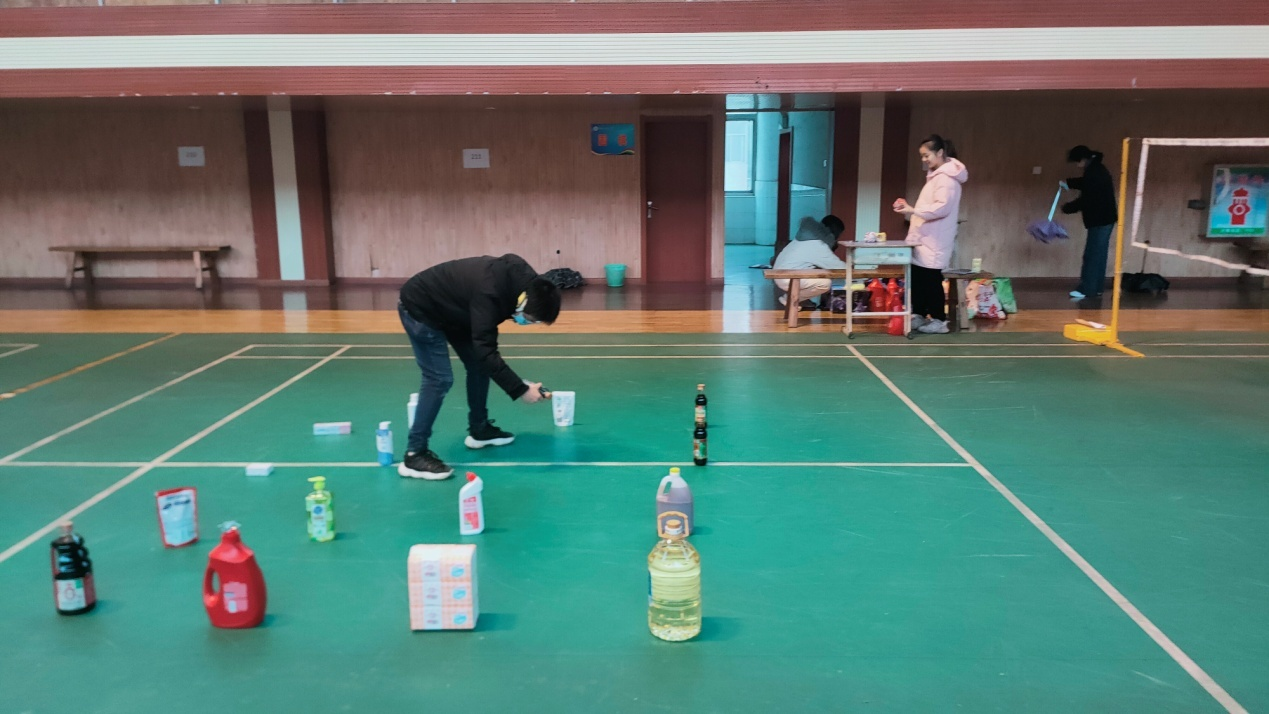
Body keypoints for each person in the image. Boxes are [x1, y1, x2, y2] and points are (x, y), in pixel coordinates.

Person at [397, 254, 562, 480]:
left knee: (478, 366)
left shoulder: (526, 285)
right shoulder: (490, 293)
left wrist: (518, 384)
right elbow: (486, 351)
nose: (527, 323)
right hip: (421, 307)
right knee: (439, 379)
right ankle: (414, 455)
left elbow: (484, 352)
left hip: (456, 310)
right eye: (530, 319)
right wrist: (521, 390)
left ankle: (480, 430)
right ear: (523, 302)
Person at [893, 134, 968, 334]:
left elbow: (941, 208)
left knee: (931, 280)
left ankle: (939, 320)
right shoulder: (936, 177)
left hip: (934, 240)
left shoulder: (947, 179)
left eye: (927, 155)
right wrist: (909, 208)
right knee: (918, 278)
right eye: (922, 156)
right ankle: (919, 314)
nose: (924, 159)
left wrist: (911, 209)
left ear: (940, 152)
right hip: (923, 239)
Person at [1061, 145, 1118, 300]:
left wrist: (1068, 208)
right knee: (1099, 254)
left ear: (1082, 159)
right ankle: (1096, 288)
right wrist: (1069, 183)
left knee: (1092, 255)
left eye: (1076, 162)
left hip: (1100, 219)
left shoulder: (1094, 172)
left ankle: (1087, 289)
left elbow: (1087, 198)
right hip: (1105, 219)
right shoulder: (1096, 168)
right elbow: (1087, 184)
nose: (1076, 165)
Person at [772, 215, 847, 310]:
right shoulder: (818, 244)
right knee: (825, 283)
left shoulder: (805, 237)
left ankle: (802, 300)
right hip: (787, 277)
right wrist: (855, 268)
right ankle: (789, 299)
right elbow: (839, 267)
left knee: (818, 271)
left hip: (782, 274)